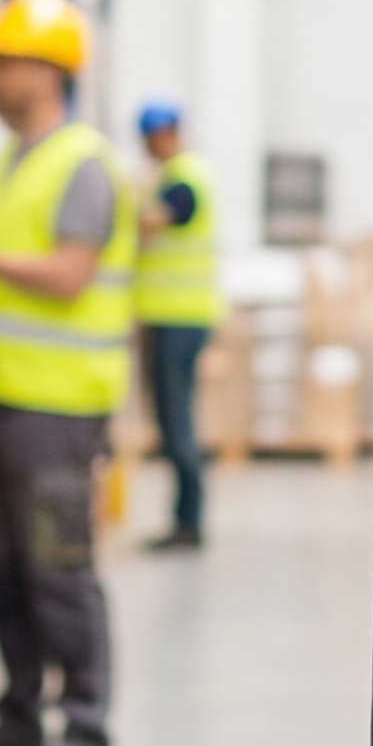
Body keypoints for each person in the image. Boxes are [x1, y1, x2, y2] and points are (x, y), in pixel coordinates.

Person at [0, 0, 134, 746]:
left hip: (59, 410)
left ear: (46, 72)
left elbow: (69, 275)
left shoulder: (81, 163)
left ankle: (86, 735)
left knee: (59, 568)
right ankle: (19, 722)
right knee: (6, 574)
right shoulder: (7, 163)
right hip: (1, 399)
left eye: (4, 63)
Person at [130, 100, 224, 547]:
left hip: (181, 319)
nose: (151, 146)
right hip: (172, 317)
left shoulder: (184, 179)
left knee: (177, 422)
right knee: (173, 421)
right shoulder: (172, 176)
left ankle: (189, 524)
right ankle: (185, 521)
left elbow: (156, 221)